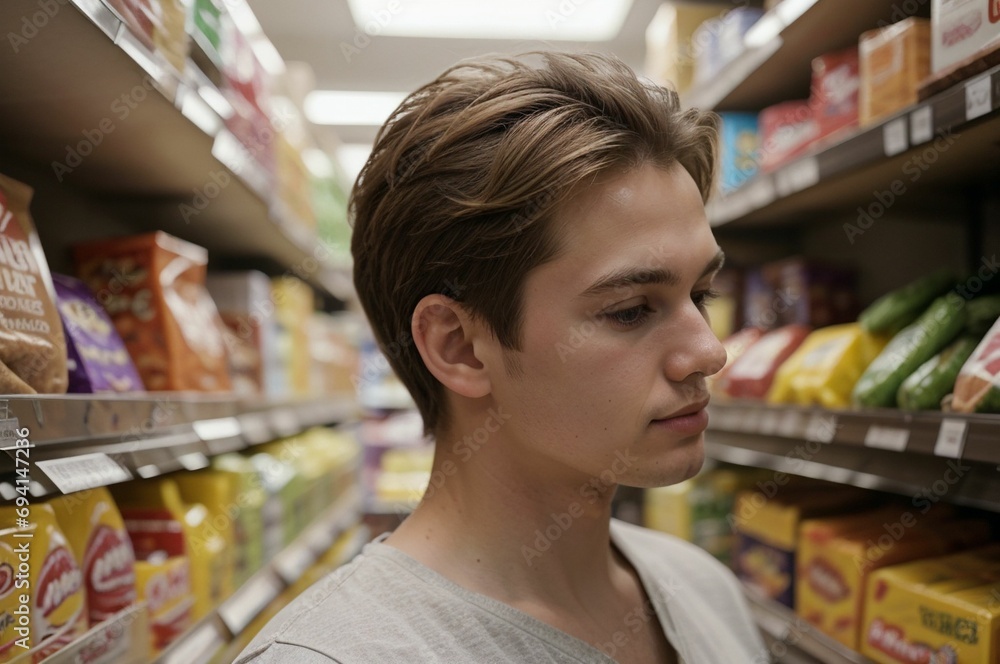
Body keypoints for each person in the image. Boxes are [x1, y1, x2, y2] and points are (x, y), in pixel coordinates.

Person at [236, 51, 768, 664]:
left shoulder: (705, 592)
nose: (709, 351)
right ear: (458, 346)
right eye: (630, 309)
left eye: (701, 294)